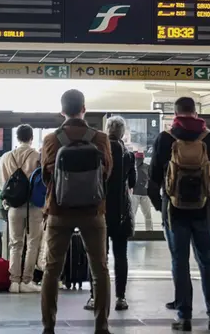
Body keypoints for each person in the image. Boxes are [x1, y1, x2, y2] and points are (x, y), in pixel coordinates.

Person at [149, 97, 210, 331]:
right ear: (196, 112)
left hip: (174, 211)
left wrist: (162, 206)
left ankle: (184, 317)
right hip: (204, 210)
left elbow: (153, 179)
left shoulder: (165, 139)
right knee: (208, 260)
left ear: (175, 114)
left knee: (180, 261)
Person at [40, 89, 113, 334]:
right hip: (93, 211)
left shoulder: (51, 140)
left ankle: (49, 326)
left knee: (52, 270)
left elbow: (46, 176)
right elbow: (107, 173)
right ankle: (101, 326)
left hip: (59, 211)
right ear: (84, 109)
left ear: (62, 111)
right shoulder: (100, 138)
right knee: (99, 269)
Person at [85, 116, 136, 312]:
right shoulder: (128, 155)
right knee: (120, 255)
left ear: (107, 130)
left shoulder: (98, 153)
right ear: (122, 132)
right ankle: (121, 297)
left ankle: (95, 297)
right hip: (121, 211)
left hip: (100, 209)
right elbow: (132, 182)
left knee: (98, 256)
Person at [0, 124, 42, 294]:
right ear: (31, 138)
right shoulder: (37, 156)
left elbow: (0, 182)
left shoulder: (7, 156)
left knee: (15, 243)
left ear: (17, 138)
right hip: (33, 206)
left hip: (14, 207)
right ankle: (26, 280)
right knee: (32, 243)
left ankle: (14, 281)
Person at [131, 152, 153, 231]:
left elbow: (151, 179)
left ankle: (149, 231)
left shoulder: (146, 167)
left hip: (141, 193)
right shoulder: (133, 167)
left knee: (145, 214)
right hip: (137, 193)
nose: (139, 160)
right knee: (135, 214)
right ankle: (148, 231)